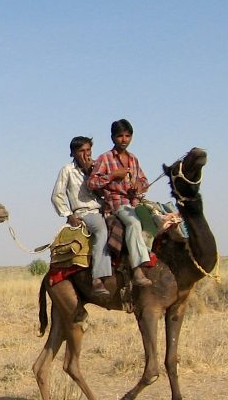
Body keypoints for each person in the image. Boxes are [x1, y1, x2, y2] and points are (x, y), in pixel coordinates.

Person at [87, 119, 153, 286]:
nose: (124, 139)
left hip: (135, 202)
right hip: (117, 203)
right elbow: (92, 183)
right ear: (112, 137)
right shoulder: (105, 158)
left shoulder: (133, 159)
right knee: (134, 223)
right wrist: (113, 176)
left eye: (127, 136)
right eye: (120, 136)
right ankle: (137, 269)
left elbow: (144, 181)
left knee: (159, 220)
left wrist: (140, 185)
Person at [51, 136, 112, 300]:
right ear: (73, 153)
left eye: (88, 150)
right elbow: (57, 195)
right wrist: (69, 215)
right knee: (102, 231)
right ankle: (98, 278)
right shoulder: (67, 170)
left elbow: (106, 190)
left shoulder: (97, 167)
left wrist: (93, 172)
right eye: (81, 151)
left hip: (104, 209)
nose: (86, 154)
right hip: (85, 212)